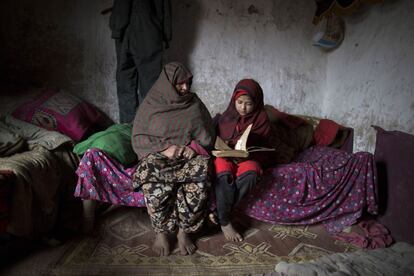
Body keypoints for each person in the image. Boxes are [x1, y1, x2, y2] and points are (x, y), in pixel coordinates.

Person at [132, 62, 215, 256]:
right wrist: (165, 149)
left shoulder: (194, 103)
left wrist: (193, 148)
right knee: (148, 171)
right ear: (168, 84)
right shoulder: (151, 104)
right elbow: (139, 137)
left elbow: (208, 135)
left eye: (188, 83)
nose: (186, 88)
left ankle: (183, 232)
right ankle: (161, 233)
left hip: (187, 158)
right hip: (160, 157)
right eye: (180, 84)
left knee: (202, 169)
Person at [214, 79, 274, 242]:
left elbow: (266, 149)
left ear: (257, 102)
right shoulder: (226, 116)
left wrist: (249, 151)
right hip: (226, 156)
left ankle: (221, 214)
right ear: (234, 100)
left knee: (251, 174)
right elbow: (215, 138)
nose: (243, 107)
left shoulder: (262, 119)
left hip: (248, 157)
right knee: (222, 174)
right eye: (239, 102)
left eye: (248, 104)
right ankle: (226, 221)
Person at [109, 0, 172, 123]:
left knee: (126, 84)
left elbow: (123, 5)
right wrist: (166, 34)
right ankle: (148, 128)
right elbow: (166, 8)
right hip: (151, 31)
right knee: (151, 86)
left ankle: (128, 128)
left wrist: (117, 29)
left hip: (127, 31)